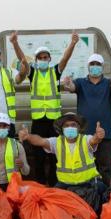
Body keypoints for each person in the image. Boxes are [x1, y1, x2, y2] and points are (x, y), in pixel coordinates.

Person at [15, 31, 80, 185]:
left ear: (50, 59)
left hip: (54, 121)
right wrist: (14, 43)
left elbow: (65, 58)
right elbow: (22, 59)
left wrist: (73, 43)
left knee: (54, 155)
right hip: (38, 120)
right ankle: (40, 183)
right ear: (36, 60)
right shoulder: (33, 73)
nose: (43, 60)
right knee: (38, 155)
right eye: (40, 58)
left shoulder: (55, 72)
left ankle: (54, 183)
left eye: (46, 57)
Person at [18, 112, 108, 212]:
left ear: (79, 128)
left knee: (103, 194)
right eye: (66, 125)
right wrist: (28, 136)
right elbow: (40, 140)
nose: (70, 128)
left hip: (88, 183)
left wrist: (98, 136)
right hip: (65, 185)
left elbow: (94, 140)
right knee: (50, 204)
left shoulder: (85, 139)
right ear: (62, 129)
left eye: (73, 125)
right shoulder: (57, 142)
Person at [62, 54, 111, 185]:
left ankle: (106, 195)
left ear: (102, 67)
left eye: (98, 64)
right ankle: (88, 193)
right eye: (92, 64)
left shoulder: (108, 83)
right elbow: (72, 87)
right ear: (88, 66)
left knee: (105, 167)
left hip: (105, 134)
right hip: (85, 135)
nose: (95, 67)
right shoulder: (81, 82)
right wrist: (68, 84)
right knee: (87, 165)